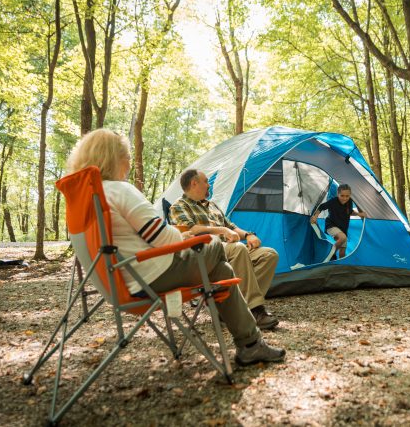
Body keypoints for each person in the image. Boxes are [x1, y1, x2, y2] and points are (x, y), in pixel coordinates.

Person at [65, 128, 284, 366]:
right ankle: (250, 327)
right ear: (113, 158)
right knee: (213, 245)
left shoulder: (85, 197)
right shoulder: (119, 190)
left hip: (121, 283)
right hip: (152, 276)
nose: (129, 164)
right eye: (127, 157)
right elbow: (165, 238)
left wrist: (245, 234)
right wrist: (200, 237)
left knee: (222, 272)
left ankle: (251, 345)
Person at [169, 170, 280, 330]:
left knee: (269, 255)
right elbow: (191, 229)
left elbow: (232, 227)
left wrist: (248, 235)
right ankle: (256, 310)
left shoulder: (212, 205)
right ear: (194, 183)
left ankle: (235, 308)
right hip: (205, 253)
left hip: (229, 250)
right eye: (206, 181)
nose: (209, 184)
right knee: (238, 248)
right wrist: (221, 231)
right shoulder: (179, 206)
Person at [310, 184, 366, 259]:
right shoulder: (333, 202)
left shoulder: (349, 202)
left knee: (342, 252)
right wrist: (315, 216)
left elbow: (349, 211)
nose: (344, 198)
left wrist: (359, 214)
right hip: (331, 226)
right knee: (343, 237)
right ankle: (331, 253)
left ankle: (341, 265)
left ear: (350, 195)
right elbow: (322, 207)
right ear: (338, 194)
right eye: (342, 195)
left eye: (347, 196)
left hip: (343, 229)